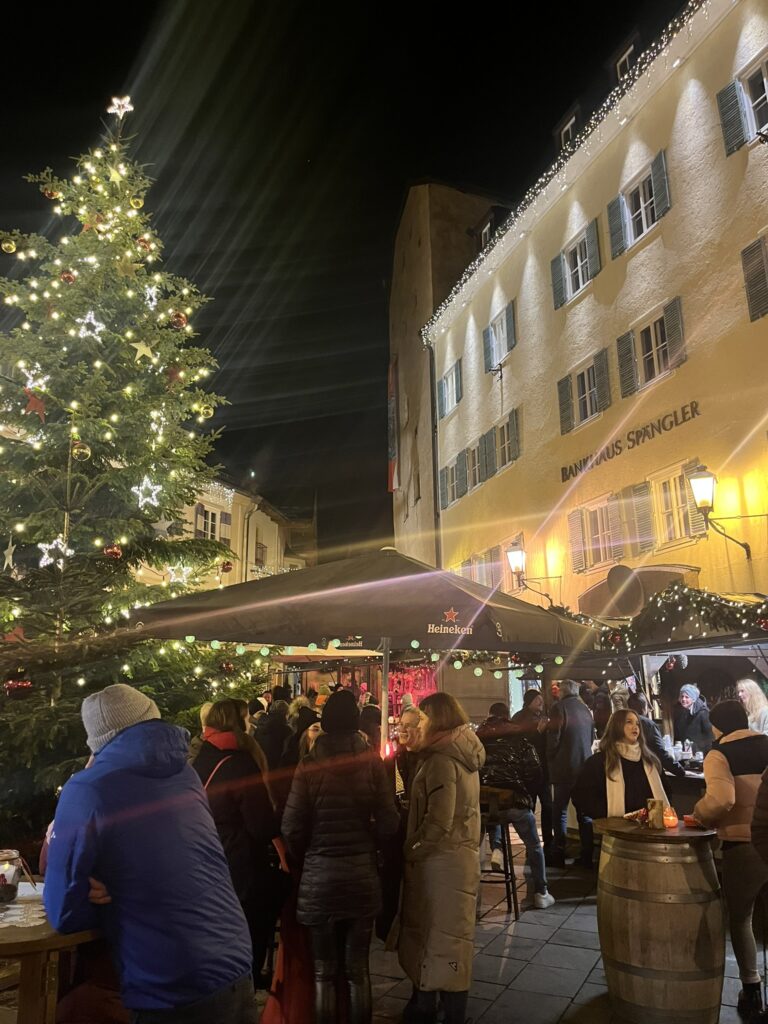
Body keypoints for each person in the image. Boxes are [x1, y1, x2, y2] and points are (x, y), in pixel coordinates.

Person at [44, 684, 256, 1024]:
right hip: (232, 958)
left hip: (167, 979)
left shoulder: (87, 788)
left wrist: (106, 893)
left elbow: (64, 912)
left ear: (96, 742)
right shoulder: (185, 774)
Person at [282, 689, 399, 1024]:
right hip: (362, 876)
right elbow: (390, 821)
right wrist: (371, 840)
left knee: (323, 972)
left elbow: (291, 826)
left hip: (319, 877)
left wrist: (307, 856)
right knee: (357, 971)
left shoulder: (308, 765)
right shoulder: (372, 763)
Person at [398, 693, 485, 1024]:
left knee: (441, 939)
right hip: (457, 860)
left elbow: (438, 822)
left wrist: (412, 849)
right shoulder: (458, 753)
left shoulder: (442, 761)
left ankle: (441, 1011)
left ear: (437, 719)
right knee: (449, 940)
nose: (418, 723)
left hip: (442, 865)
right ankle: (433, 1004)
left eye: (422, 718)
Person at [191, 699, 284, 990]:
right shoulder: (241, 764)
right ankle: (246, 982)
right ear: (237, 722)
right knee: (250, 926)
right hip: (240, 862)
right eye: (247, 719)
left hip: (205, 858)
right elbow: (260, 825)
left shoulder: (200, 758)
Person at [690, 700, 768, 1020]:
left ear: (717, 726)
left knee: (741, 917)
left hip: (744, 844)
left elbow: (722, 799)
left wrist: (699, 815)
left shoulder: (719, 753)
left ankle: (751, 989)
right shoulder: (767, 741)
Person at [477, 702, 555, 909]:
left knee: (484, 827)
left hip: (482, 803)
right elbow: (534, 771)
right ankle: (541, 892)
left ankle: (496, 849)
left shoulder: (475, 738)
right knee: (534, 845)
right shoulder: (520, 738)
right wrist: (525, 792)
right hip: (513, 801)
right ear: (507, 716)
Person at [572, 709, 668, 820]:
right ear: (617, 726)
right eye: (629, 722)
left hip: (649, 828)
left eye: (637, 723)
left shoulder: (650, 761)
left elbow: (666, 791)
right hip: (616, 829)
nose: (635, 727)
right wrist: (605, 813)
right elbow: (582, 796)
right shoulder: (599, 762)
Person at [546, 679, 595, 868]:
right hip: (583, 767)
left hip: (564, 767)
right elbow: (591, 738)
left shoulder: (558, 708)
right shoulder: (585, 710)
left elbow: (554, 738)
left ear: (563, 692)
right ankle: (587, 854)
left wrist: (549, 757)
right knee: (584, 813)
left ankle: (558, 852)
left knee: (560, 811)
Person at [511, 690, 554, 855]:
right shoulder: (520, 718)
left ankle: (547, 841)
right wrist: (538, 732)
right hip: (529, 770)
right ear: (529, 701)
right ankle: (532, 842)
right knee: (529, 806)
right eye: (538, 700)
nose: (541, 703)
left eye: (542, 700)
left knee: (547, 805)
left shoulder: (542, 718)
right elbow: (520, 743)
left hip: (542, 769)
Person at [627, 690, 686, 780]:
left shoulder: (621, 724)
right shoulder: (648, 725)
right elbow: (660, 752)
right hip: (648, 774)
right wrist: (679, 770)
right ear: (644, 707)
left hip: (629, 774)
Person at [673, 683, 714, 754]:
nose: (683, 699)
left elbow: (710, 737)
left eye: (687, 697)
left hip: (701, 755)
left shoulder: (703, 713)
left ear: (693, 698)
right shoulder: (682, 712)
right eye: (682, 696)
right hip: (687, 754)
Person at [254, 699, 292, 770]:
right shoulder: (286, 731)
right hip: (277, 771)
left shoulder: (259, 726)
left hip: (260, 768)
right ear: (286, 714)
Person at [396, 705, 424, 801]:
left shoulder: (429, 761)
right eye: (401, 724)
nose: (402, 729)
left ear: (419, 729)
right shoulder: (394, 760)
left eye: (408, 726)